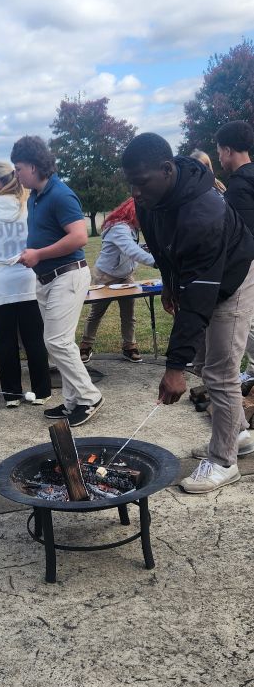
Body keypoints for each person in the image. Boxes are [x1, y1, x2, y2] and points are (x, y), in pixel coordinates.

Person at [121, 133, 254, 494]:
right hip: (201, 275)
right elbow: (162, 248)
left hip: (234, 276)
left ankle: (224, 462)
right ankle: (238, 434)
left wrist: (174, 369)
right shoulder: (150, 198)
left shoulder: (204, 213)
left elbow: (198, 301)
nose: (135, 192)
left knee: (221, 370)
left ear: (167, 170)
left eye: (141, 182)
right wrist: (169, 283)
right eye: (130, 183)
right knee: (206, 362)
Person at [10, 135, 103, 427]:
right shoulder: (36, 197)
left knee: (56, 341)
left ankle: (89, 397)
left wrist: (38, 254)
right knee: (59, 342)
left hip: (68, 275)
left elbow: (79, 237)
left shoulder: (61, 194)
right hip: (48, 279)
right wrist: (32, 254)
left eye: (19, 168)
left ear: (34, 166)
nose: (16, 174)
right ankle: (73, 401)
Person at [0, 161, 51, 407]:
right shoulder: (27, 206)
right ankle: (42, 391)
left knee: (4, 342)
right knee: (35, 339)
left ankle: (12, 395)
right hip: (27, 280)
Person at [79, 197, 155, 364]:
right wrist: (156, 262)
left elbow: (130, 247)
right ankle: (85, 345)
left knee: (129, 314)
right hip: (105, 276)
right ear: (134, 213)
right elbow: (130, 250)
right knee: (96, 313)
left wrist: (143, 247)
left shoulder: (132, 228)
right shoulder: (119, 228)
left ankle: (129, 346)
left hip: (125, 275)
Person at [216, 121, 254, 379]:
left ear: (228, 150)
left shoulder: (239, 187)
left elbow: (243, 239)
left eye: (219, 151)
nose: (219, 157)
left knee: (246, 322)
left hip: (247, 268)